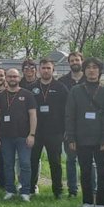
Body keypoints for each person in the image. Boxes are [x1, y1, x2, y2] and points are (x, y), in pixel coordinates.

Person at [65, 57, 104, 207]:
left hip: (101, 139)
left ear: (100, 71)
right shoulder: (76, 91)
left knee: (102, 172)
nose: (91, 70)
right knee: (85, 171)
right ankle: (87, 201)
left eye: (95, 67)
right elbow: (70, 115)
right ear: (84, 70)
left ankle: (101, 203)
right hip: (82, 138)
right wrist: (71, 138)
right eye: (88, 67)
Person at [0, 67, 38, 201]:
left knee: (25, 164)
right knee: (8, 164)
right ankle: (10, 190)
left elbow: (33, 115)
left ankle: (25, 191)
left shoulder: (28, 94)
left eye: (15, 77)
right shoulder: (0, 96)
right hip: (5, 136)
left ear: (19, 78)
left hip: (24, 136)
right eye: (10, 76)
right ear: (6, 78)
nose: (13, 79)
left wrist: (32, 134)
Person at [28, 58, 70, 199]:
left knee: (55, 162)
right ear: (39, 70)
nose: (46, 70)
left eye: (48, 68)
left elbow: (67, 110)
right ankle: (31, 189)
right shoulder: (31, 88)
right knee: (33, 160)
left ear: (53, 70)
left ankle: (57, 191)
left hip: (55, 132)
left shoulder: (61, 88)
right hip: (36, 132)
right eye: (43, 68)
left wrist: (66, 130)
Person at [58, 51, 86, 198]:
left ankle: (91, 190)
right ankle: (72, 191)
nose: (75, 62)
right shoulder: (62, 81)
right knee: (71, 160)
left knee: (88, 162)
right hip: (69, 128)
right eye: (72, 60)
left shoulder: (90, 79)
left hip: (87, 128)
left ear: (82, 61)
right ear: (69, 63)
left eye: (77, 60)